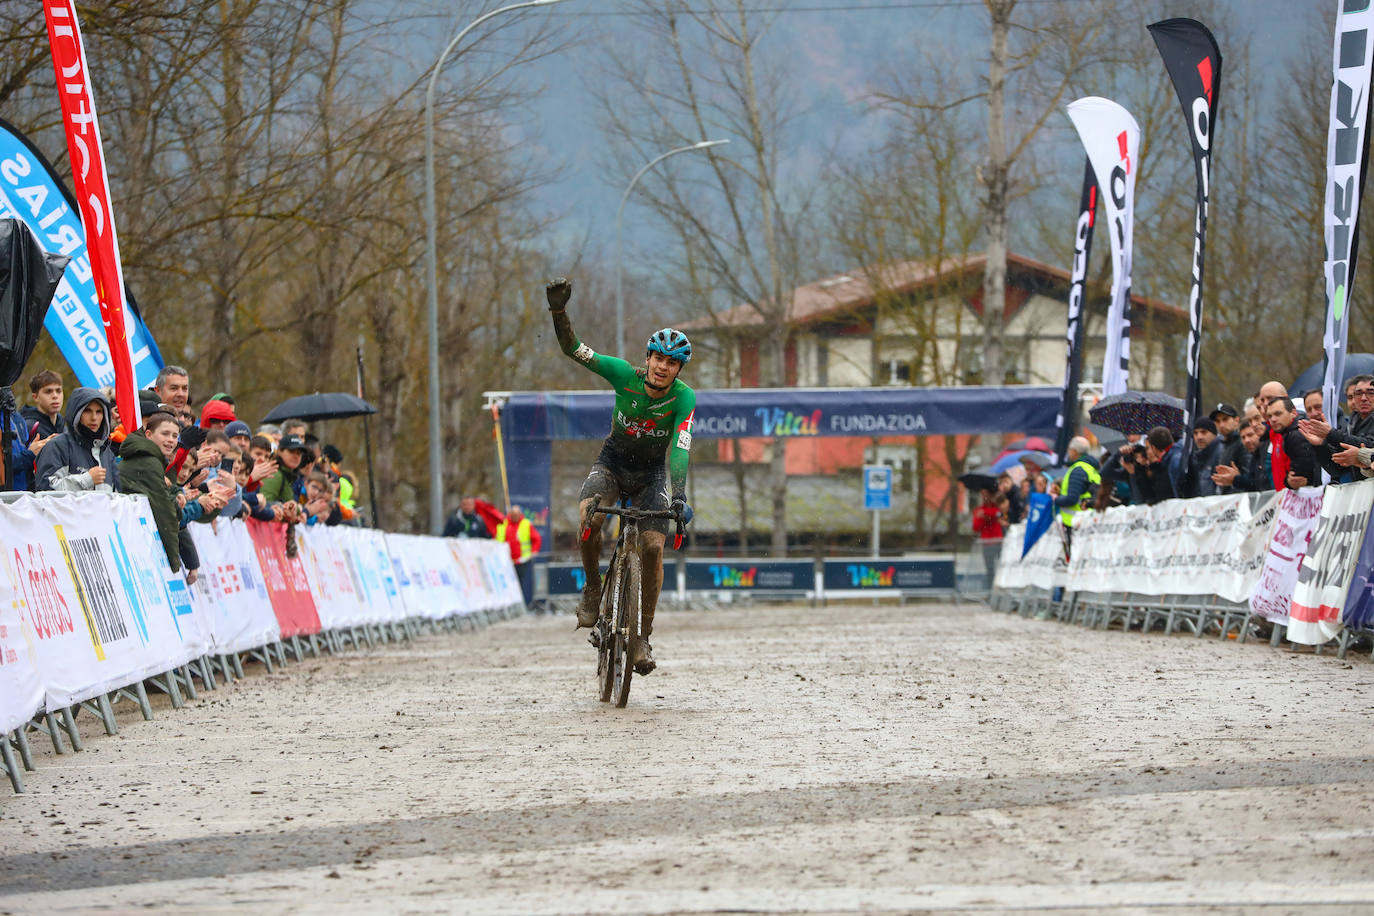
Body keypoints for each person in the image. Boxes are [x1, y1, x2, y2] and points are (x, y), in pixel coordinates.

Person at [546, 276, 695, 675]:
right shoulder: (621, 375)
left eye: (672, 363)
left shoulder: (684, 398)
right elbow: (573, 350)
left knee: (652, 547)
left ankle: (642, 635)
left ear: (678, 369)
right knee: (590, 517)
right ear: (647, 358)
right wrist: (559, 312)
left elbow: (681, 445)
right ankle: (593, 586)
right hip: (611, 463)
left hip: (651, 476)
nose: (663, 368)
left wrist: (678, 495)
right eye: (658, 359)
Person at [34, 387, 120, 493]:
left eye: (99, 412)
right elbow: (45, 490)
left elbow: (117, 498)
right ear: (76, 413)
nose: (94, 417)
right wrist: (87, 479)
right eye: (87, 411)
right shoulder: (57, 446)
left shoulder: (107, 452)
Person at [494, 504, 541, 607]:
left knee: (519, 583)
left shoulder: (526, 524)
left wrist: (533, 551)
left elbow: (537, 539)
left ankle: (518, 605)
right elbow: (497, 538)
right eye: (513, 514)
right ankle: (507, 604)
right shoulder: (503, 523)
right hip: (505, 561)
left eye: (517, 514)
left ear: (520, 514)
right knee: (506, 584)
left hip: (521, 561)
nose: (515, 516)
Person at [1267, 396, 1318, 489]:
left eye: (1278, 414)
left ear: (1294, 412)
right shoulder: (1289, 433)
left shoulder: (1296, 434)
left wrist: (1288, 482)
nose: (1273, 419)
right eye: (1269, 416)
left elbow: (1299, 476)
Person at [1050, 436, 1100, 527]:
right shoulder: (1090, 467)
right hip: (1087, 519)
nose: (1068, 452)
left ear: (1074, 451)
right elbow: (1083, 491)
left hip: (1077, 521)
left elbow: (1071, 499)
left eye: (1069, 449)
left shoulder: (1078, 470)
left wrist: (1055, 499)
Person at [1184, 417, 1223, 498]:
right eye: (1195, 433)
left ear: (1214, 434)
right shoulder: (1195, 458)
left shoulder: (1221, 452)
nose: (1199, 437)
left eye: (1203, 432)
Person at [971, 488, 1005, 575]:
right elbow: (975, 527)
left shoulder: (997, 507)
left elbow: (999, 514)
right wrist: (982, 517)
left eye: (986, 494)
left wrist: (986, 514)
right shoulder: (979, 510)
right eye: (982, 495)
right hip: (986, 543)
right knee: (989, 569)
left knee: (1002, 567)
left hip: (998, 541)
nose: (984, 497)